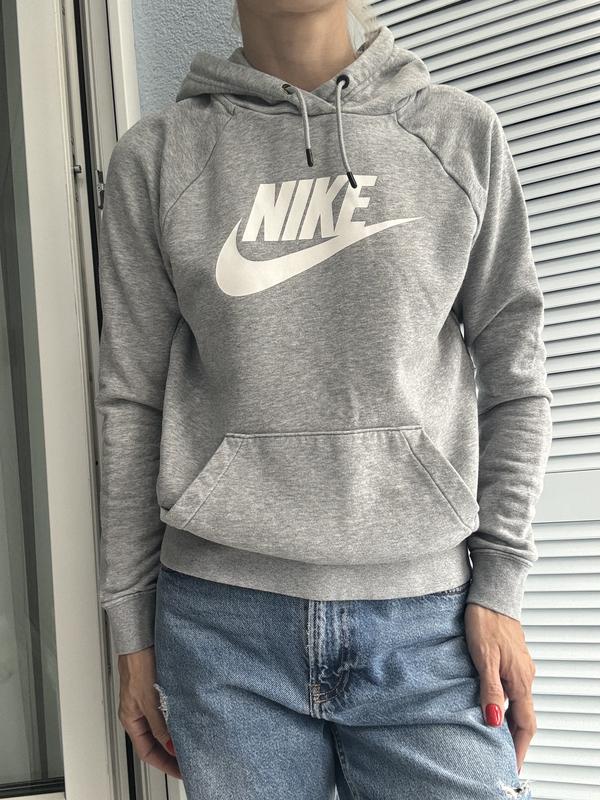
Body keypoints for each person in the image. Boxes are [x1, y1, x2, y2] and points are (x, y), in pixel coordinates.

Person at [95, 1, 553, 797]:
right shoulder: (159, 157)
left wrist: (502, 588)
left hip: (429, 625)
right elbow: (130, 399)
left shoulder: (459, 135)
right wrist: (132, 628)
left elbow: (517, 376)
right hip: (220, 627)